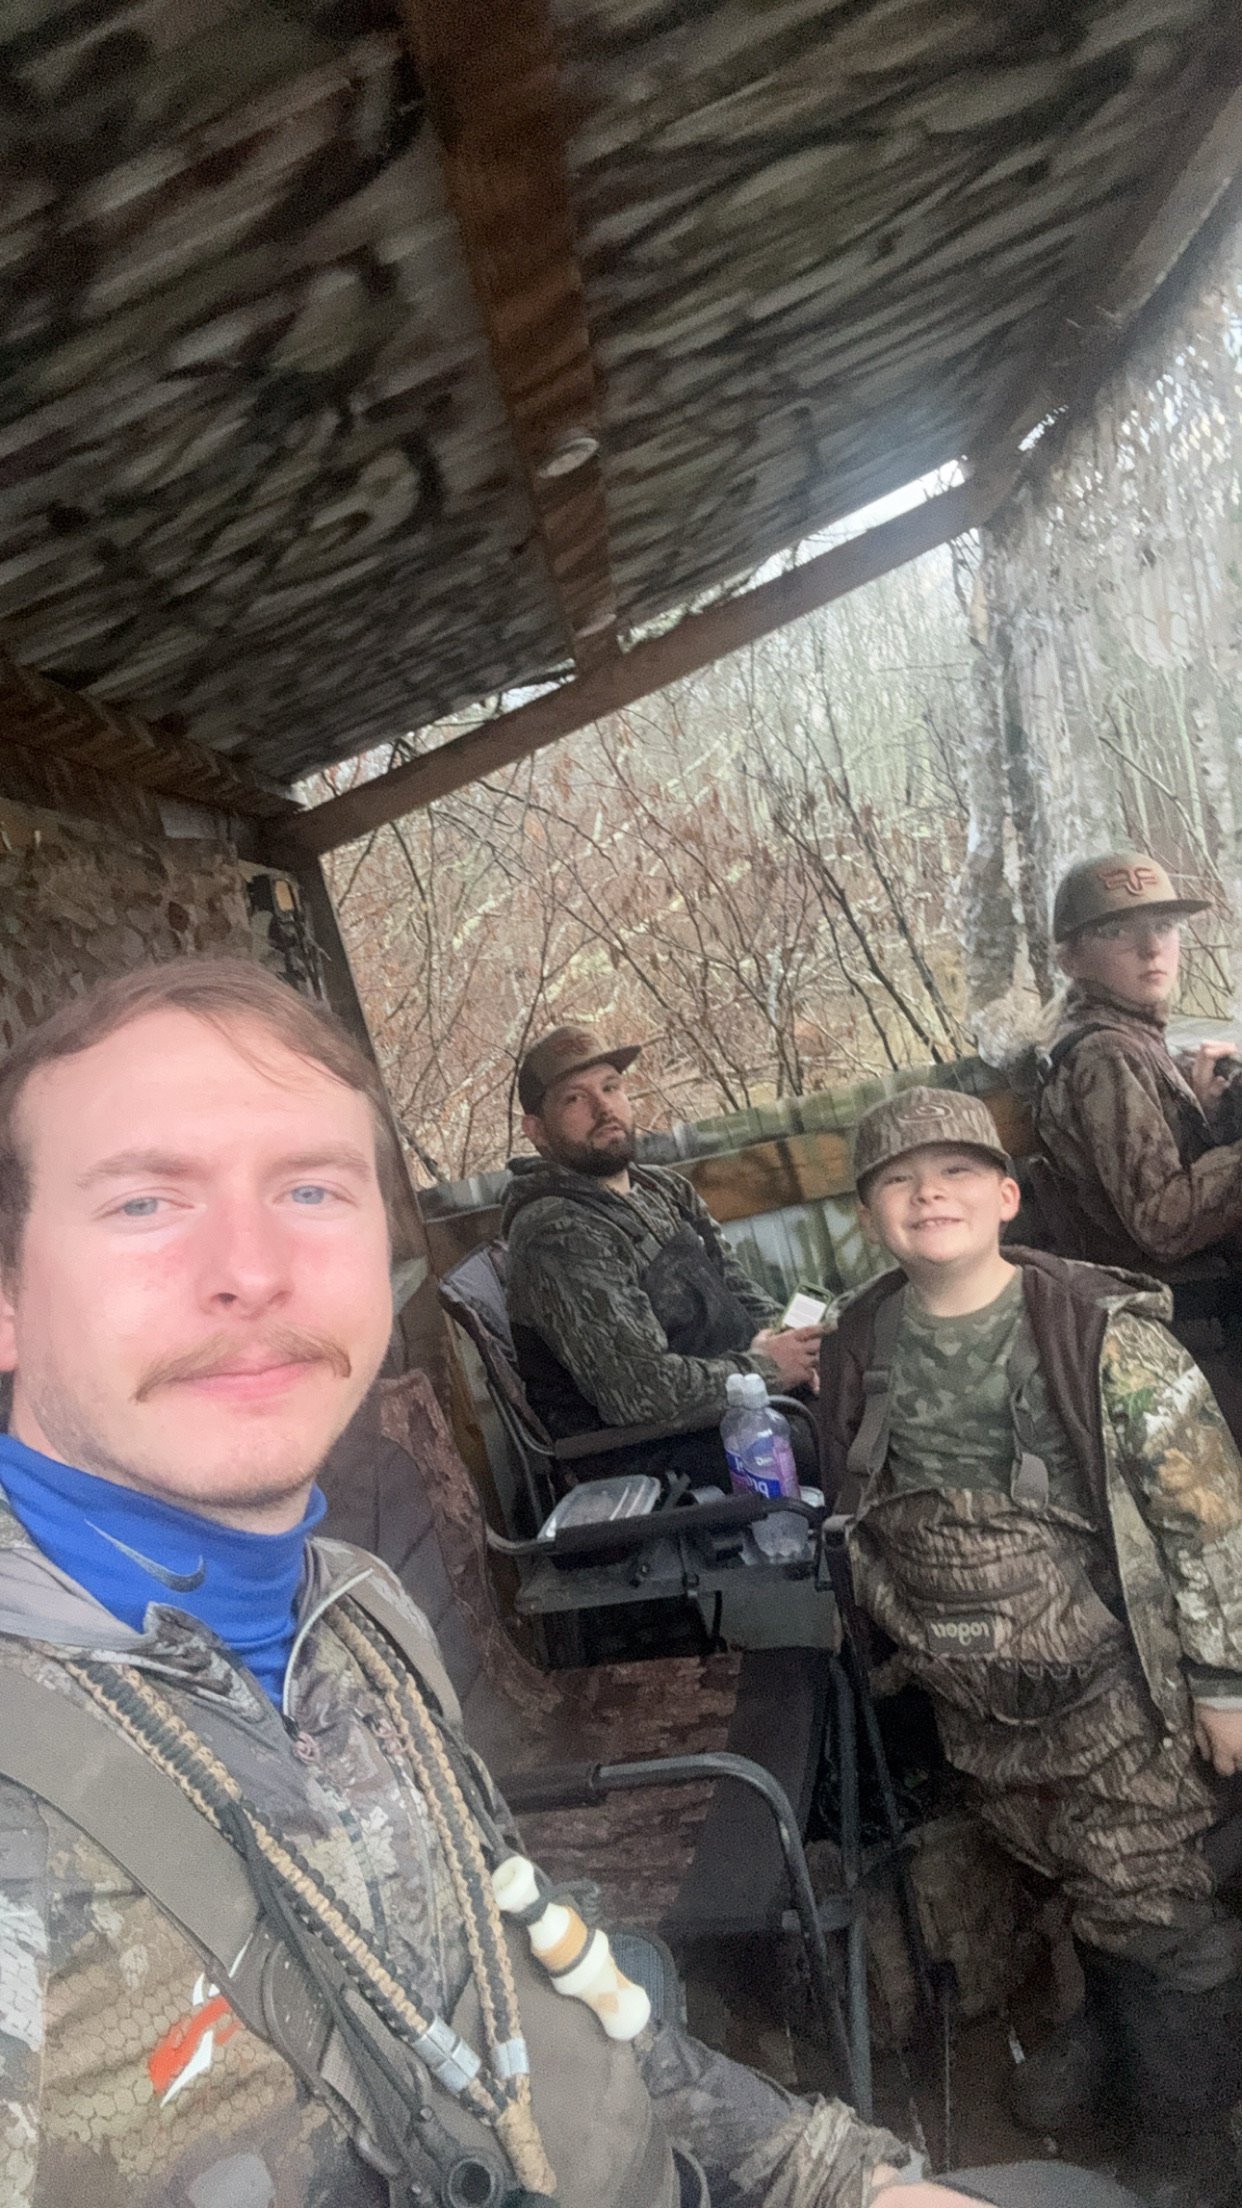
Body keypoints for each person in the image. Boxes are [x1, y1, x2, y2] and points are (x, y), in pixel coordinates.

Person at [0, 956, 1118, 2208]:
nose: (251, 1270)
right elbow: (641, 1391)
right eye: (145, 1203)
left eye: (311, 1190)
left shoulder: (356, 1614)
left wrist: (844, 2175)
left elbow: (538, 1972)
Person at [821, 1085, 1242, 2208]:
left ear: (1006, 1196)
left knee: (1155, 1905)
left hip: (1122, 1685)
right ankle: (1108, 2047)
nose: (930, 1195)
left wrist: (1224, 1685)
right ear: (870, 1216)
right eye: (900, 1181)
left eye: (957, 1172)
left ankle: (1188, 2156)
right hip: (979, 1695)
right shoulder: (859, 1342)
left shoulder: (1096, 1332)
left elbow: (1208, 1514)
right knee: (1058, 1870)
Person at [503, 1024, 821, 1484]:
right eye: (575, 1098)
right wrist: (770, 1369)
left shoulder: (663, 1189)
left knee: (868, 1382)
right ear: (536, 1130)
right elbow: (641, 1393)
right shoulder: (557, 1231)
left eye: (611, 1087)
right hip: (657, 1460)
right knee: (857, 1436)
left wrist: (799, 1349)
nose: (604, 1107)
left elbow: (739, 1290)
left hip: (737, 1407)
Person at [1032, 850, 1242, 1436]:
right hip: (1183, 1339)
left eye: (1165, 926)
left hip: (1187, 1328)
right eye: (1117, 930)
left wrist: (1205, 1116)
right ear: (1072, 958)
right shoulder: (1108, 1053)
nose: (1152, 948)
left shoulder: (1131, 1041)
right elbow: (1163, 1221)